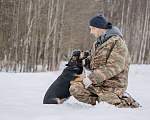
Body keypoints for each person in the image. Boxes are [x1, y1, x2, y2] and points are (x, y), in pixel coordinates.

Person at [69, 14, 140, 108]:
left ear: (101, 27)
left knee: (107, 103)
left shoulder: (117, 42)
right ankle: (102, 101)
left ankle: (126, 102)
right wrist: (82, 62)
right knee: (75, 88)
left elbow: (114, 66)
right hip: (97, 85)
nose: (91, 31)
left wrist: (92, 78)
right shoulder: (97, 43)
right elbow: (93, 63)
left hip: (113, 86)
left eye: (93, 28)